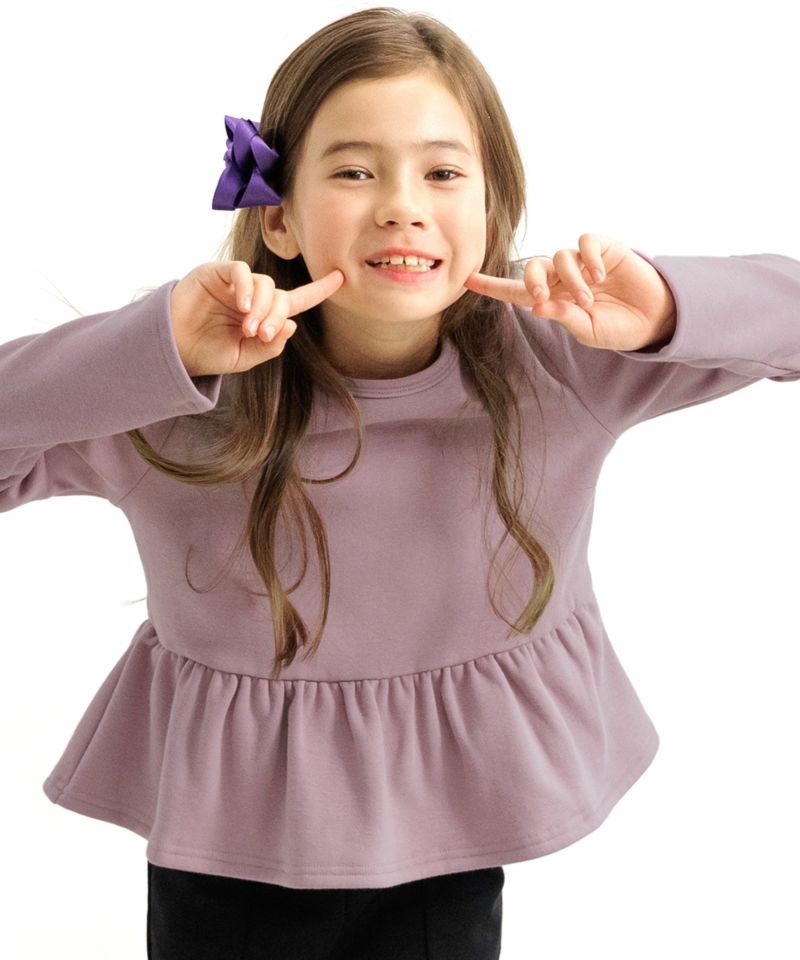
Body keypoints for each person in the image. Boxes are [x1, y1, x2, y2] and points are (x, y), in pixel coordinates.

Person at [1, 6, 798, 959]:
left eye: (443, 173)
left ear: (493, 209)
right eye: (353, 171)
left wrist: (665, 306)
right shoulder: (178, 391)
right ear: (278, 216)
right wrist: (153, 349)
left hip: (450, 847)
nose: (401, 206)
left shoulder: (560, 362)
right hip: (226, 859)